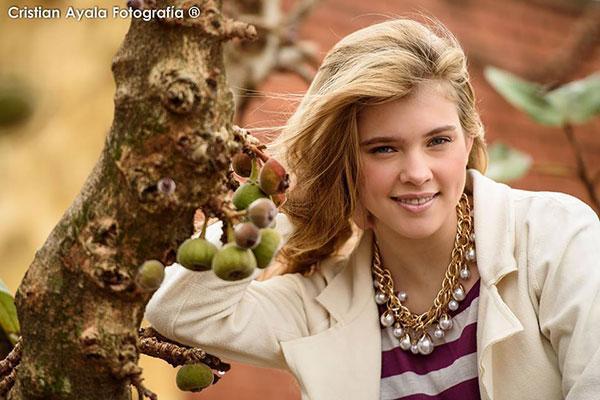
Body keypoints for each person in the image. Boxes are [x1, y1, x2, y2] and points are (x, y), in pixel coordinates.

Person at [144, 18, 600, 400]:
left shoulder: (555, 239)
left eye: (438, 141)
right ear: (343, 161)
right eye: (384, 149)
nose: (417, 172)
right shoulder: (319, 306)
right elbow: (181, 311)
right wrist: (286, 191)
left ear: (469, 140)